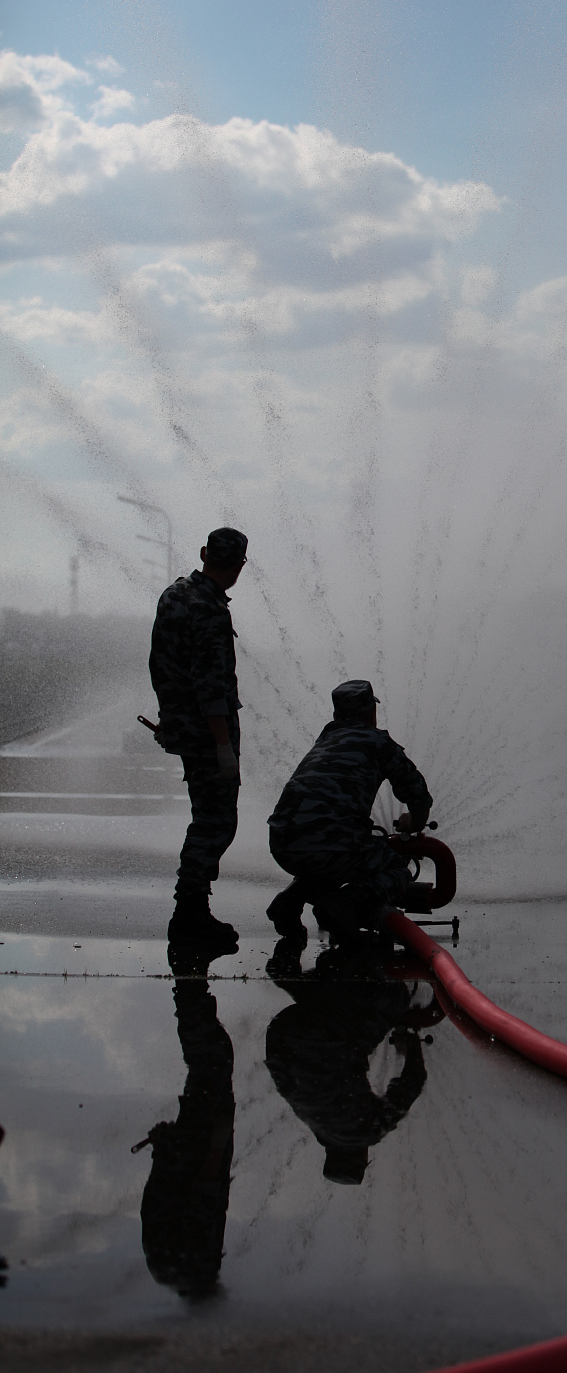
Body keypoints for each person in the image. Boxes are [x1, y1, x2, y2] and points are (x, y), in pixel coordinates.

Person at [266, 678, 432, 941]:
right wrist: (414, 823)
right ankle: (344, 904)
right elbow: (418, 795)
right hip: (331, 845)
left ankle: (291, 900)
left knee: (331, 860)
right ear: (371, 712)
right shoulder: (379, 742)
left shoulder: (325, 739)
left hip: (282, 843)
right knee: (396, 869)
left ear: (336, 715)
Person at [265, 938, 437, 1184]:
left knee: (395, 999)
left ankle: (359, 968)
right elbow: (284, 1076)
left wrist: (410, 1039)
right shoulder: (316, 1122)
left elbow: (413, 1081)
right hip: (286, 1032)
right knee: (327, 1005)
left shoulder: (364, 1133)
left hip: (327, 1036)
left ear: (358, 1156)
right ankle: (300, 977)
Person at [149, 527, 248, 948]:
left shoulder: (173, 595)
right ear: (240, 565)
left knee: (206, 816)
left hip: (185, 726)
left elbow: (161, 664)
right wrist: (223, 747)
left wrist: (171, 717)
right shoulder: (209, 609)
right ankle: (190, 914)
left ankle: (191, 913)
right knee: (215, 822)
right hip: (208, 734)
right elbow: (210, 686)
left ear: (205, 553)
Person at [136, 946, 235, 1298]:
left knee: (213, 1060)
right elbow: (155, 1202)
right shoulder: (162, 1266)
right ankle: (190, 981)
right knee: (209, 1062)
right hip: (182, 1149)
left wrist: (217, 1142)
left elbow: (205, 1195)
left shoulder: (196, 1265)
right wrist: (164, 1151)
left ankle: (189, 976)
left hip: (199, 1143)